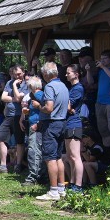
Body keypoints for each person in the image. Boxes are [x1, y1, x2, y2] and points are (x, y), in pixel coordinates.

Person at [36, 62, 69, 201]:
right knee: (58, 157)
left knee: (50, 158)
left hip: (51, 124)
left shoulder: (49, 86)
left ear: (45, 74)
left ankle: (53, 191)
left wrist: (39, 106)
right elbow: (68, 107)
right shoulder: (64, 86)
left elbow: (49, 108)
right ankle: (61, 189)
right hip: (62, 122)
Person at [0, 64, 28, 174]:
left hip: (19, 116)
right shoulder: (9, 82)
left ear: (23, 72)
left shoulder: (26, 84)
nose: (17, 76)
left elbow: (19, 98)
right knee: (0, 137)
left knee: (19, 141)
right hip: (8, 115)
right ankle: (3, 166)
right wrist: (14, 97)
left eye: (19, 74)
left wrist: (13, 87)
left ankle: (18, 165)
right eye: (14, 74)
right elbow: (3, 97)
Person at [85, 49, 110, 155]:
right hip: (99, 102)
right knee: (103, 129)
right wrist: (88, 71)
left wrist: (103, 67)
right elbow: (90, 82)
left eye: (105, 59)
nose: (102, 61)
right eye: (101, 58)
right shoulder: (101, 71)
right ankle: (107, 155)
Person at [21, 76, 47, 186]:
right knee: (36, 150)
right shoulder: (37, 95)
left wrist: (37, 124)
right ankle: (40, 175)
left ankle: (33, 176)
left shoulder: (38, 94)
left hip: (36, 127)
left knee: (34, 151)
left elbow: (46, 109)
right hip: (34, 124)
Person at [64, 64, 85, 192]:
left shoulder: (78, 88)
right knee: (70, 156)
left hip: (74, 124)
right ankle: (72, 183)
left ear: (76, 74)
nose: (66, 75)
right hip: (68, 123)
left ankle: (78, 185)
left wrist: (68, 107)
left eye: (69, 73)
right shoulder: (71, 88)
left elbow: (67, 106)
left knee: (76, 156)